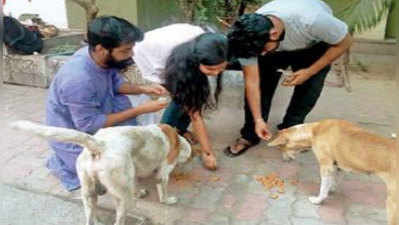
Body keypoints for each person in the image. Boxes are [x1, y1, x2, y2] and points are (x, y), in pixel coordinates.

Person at [46, 16, 168, 191]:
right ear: (101, 48)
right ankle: (62, 160)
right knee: (105, 178)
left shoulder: (97, 57)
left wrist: (145, 89)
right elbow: (89, 124)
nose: (132, 54)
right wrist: (140, 110)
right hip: (75, 134)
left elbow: (116, 83)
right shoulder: (78, 79)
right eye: (126, 50)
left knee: (129, 136)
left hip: (95, 110)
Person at [225, 0, 353, 156]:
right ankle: (250, 134)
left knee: (309, 89)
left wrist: (309, 72)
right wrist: (258, 120)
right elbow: (252, 83)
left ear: (273, 34)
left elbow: (345, 42)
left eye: (262, 50)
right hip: (276, 47)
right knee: (262, 84)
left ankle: (292, 129)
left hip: (314, 45)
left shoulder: (314, 20)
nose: (260, 55)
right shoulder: (249, 37)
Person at [133, 23, 229, 170]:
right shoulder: (182, 63)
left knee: (190, 97)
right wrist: (207, 152)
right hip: (145, 59)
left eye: (221, 68)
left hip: (170, 53)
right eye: (210, 69)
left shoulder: (213, 46)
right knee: (184, 99)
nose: (216, 73)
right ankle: (162, 141)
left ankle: (180, 130)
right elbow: (195, 114)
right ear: (195, 62)